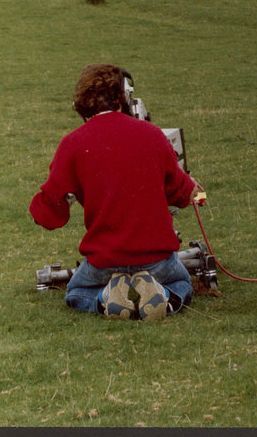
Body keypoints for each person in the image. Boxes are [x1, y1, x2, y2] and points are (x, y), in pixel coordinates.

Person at [29, 63, 204, 321]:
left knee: (76, 291)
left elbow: (48, 212)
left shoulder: (72, 143)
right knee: (182, 284)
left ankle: (105, 299)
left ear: (83, 103)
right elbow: (178, 192)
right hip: (156, 258)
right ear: (122, 98)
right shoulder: (153, 135)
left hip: (105, 260)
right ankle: (163, 298)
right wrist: (192, 189)